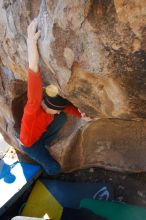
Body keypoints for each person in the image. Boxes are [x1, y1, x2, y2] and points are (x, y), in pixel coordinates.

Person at [20, 19, 91, 175]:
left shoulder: (51, 106)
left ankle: (45, 142)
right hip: (29, 144)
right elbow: (33, 72)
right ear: (49, 106)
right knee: (54, 167)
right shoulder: (32, 109)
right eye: (57, 110)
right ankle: (51, 175)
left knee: (61, 119)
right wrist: (31, 43)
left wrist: (82, 115)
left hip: (39, 134)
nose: (59, 111)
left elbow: (63, 107)